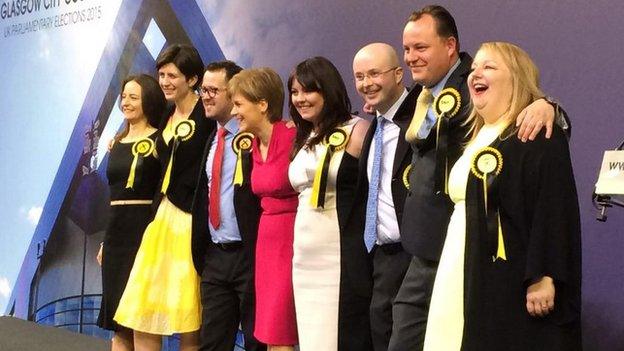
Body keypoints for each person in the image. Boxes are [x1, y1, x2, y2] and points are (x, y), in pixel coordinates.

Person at [389, 6, 570, 350]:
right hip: (443, 255)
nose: (476, 74)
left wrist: (548, 105)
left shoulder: (527, 127)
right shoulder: (472, 127)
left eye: (421, 47)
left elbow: (551, 204)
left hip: (488, 265)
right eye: (407, 49)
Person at [423, 41, 581, 351]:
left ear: (517, 79)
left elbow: (554, 207)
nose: (475, 73)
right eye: (474, 68)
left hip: (506, 276)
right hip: (460, 267)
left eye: (489, 67)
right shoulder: (476, 136)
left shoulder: (536, 131)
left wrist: (544, 275)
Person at [114, 44, 215, 351]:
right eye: (162, 75)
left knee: (188, 316)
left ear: (193, 80)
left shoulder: (207, 115)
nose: (166, 81)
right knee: (143, 310)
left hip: (190, 221)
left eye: (173, 75)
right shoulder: (167, 114)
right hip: (160, 220)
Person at [287, 57, 371, 351]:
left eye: (308, 91)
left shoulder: (358, 129)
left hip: (342, 256)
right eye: (294, 92)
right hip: (304, 258)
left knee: (344, 336)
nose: (300, 99)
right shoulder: (302, 136)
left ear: (328, 90)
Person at [191, 60, 266, 351]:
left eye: (213, 90)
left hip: (251, 255)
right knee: (211, 344)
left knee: (256, 343)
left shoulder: (257, 136)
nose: (206, 96)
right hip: (215, 257)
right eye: (203, 90)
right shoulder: (212, 138)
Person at [349, 43, 417, 351]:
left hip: (416, 256)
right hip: (380, 258)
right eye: (360, 76)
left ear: (399, 74)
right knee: (381, 334)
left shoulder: (423, 116)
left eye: (375, 73)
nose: (366, 83)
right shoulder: (372, 127)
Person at [227, 68, 298, 351]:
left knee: (282, 331)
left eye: (239, 104)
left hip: (292, 239)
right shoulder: (253, 145)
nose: (234, 112)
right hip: (265, 242)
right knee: (269, 331)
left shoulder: (293, 136)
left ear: (263, 104)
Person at [96, 74, 165, 351]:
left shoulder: (161, 140)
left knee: (141, 317)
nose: (126, 102)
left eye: (133, 97)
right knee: (118, 321)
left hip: (144, 231)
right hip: (115, 233)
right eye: (124, 96)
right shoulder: (116, 142)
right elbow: (114, 195)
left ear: (148, 100)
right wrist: (105, 240)